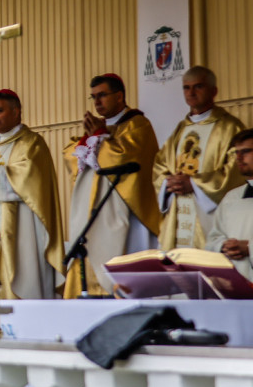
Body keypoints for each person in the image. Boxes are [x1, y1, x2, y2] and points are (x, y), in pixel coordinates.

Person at [62, 74, 161, 298]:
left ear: (119, 96)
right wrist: (90, 138)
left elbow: (124, 157)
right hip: (97, 213)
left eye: (102, 95)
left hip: (126, 213)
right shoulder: (99, 127)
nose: (97, 102)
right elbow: (71, 157)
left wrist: (98, 137)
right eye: (93, 97)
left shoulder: (138, 124)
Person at [0, 89, 64, 299]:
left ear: (16, 111)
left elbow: (32, 180)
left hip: (21, 227)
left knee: (19, 274)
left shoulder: (32, 143)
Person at [153, 66, 246, 250]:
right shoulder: (180, 130)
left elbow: (236, 172)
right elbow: (160, 164)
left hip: (209, 220)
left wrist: (194, 184)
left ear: (214, 91)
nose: (191, 93)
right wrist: (169, 183)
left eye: (198, 87)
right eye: (186, 88)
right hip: (178, 216)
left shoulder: (230, 128)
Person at [205, 129, 253, 281]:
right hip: (237, 288)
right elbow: (213, 239)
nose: (238, 158)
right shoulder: (231, 198)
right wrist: (224, 247)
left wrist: (249, 248)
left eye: (245, 151)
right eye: (235, 152)